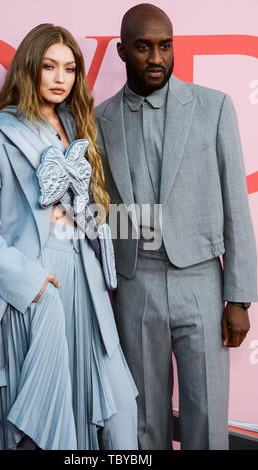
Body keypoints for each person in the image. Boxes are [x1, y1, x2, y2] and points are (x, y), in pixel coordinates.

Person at [0, 23, 138, 451]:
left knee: (119, 413)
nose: (61, 78)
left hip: (87, 282)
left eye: (70, 69)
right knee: (45, 425)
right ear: (29, 69)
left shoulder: (76, 129)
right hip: (38, 290)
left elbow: (87, 212)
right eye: (49, 67)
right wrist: (32, 284)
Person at [95, 4, 257, 450]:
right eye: (143, 47)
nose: (156, 58)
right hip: (134, 284)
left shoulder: (213, 107)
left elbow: (235, 206)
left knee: (206, 414)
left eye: (165, 46)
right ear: (122, 51)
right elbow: (96, 212)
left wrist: (238, 296)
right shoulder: (98, 120)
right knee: (143, 418)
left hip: (202, 280)